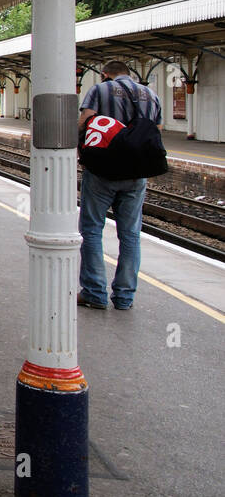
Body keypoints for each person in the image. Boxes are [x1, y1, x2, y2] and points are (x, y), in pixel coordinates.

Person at [77, 60, 163, 311]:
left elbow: (85, 121)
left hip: (103, 171)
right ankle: (124, 297)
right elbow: (156, 132)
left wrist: (79, 148)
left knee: (92, 230)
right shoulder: (151, 94)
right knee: (130, 234)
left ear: (105, 75)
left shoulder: (99, 90)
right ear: (129, 74)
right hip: (137, 174)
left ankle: (94, 293)